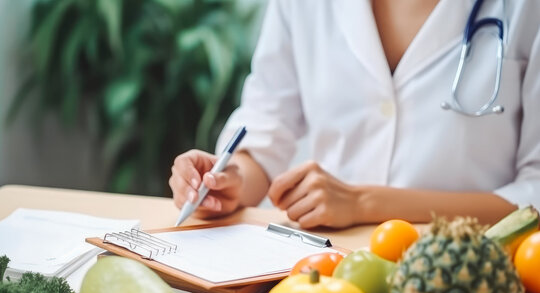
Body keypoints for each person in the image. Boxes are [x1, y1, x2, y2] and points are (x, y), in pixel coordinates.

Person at [169, 0, 540, 229]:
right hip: (332, 279)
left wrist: (364, 204)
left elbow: (535, 191)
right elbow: (267, 125)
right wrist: (229, 182)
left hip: (471, 281)